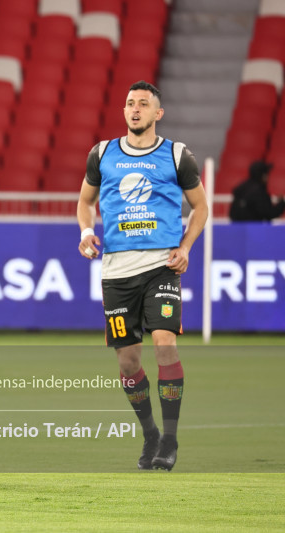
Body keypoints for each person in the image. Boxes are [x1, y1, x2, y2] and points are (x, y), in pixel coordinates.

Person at [76, 81, 208, 471]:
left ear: (157, 113)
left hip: (161, 266)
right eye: (130, 103)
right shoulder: (102, 154)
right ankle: (149, 432)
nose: (135, 109)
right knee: (128, 363)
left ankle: (169, 439)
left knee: (165, 344)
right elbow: (85, 202)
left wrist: (185, 247)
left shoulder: (178, 155)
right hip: (116, 270)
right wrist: (86, 232)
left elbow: (200, 208)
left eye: (143, 104)